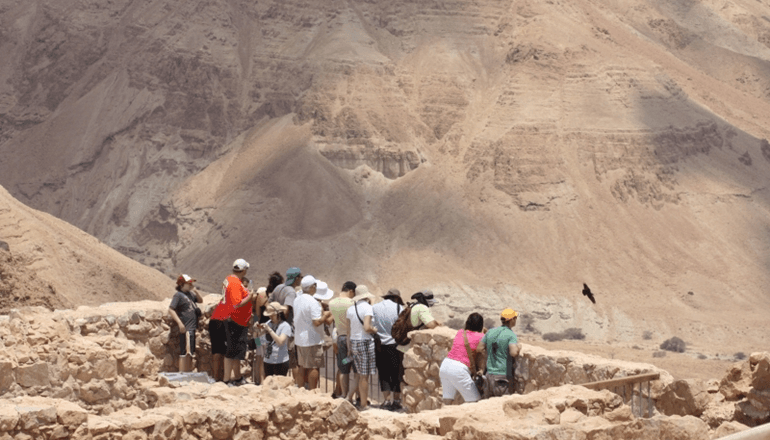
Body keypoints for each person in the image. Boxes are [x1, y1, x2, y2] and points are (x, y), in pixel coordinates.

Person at [292, 275, 332, 389]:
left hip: (300, 339)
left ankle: (301, 389)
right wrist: (326, 315)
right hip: (312, 340)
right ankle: (312, 392)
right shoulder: (313, 302)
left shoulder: (297, 299)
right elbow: (317, 322)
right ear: (312, 287)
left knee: (302, 366)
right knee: (313, 366)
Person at [223, 258, 257, 386]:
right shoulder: (235, 283)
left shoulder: (232, 280)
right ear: (243, 270)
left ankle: (237, 378)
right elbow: (236, 304)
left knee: (237, 351)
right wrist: (249, 297)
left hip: (238, 321)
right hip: (235, 321)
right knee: (231, 351)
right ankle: (227, 380)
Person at [438, 313, 486, 405]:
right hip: (459, 369)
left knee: (447, 400)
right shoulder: (480, 337)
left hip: (445, 365)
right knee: (474, 401)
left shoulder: (460, 333)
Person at [345, 285, 378, 411]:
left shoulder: (350, 309)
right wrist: (374, 329)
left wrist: (349, 348)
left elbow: (348, 331)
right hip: (365, 342)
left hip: (353, 342)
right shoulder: (368, 308)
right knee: (365, 375)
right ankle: (363, 405)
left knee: (358, 374)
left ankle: (348, 398)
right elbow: (367, 327)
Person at [372, 288, 405, 410]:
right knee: (397, 372)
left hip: (380, 344)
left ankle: (386, 400)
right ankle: (396, 401)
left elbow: (372, 324)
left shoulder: (375, 307)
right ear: (396, 298)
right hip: (395, 345)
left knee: (383, 372)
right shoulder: (399, 308)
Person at [477, 308, 521, 398]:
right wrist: (518, 347)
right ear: (512, 320)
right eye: (515, 318)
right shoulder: (511, 334)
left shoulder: (490, 331)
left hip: (489, 376)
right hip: (502, 377)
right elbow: (513, 353)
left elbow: (479, 348)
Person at [270, 267, 302, 377]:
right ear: (296, 278)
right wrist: (284, 322)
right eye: (300, 277)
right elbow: (287, 308)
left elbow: (269, 304)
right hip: (288, 330)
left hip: (276, 328)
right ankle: (297, 385)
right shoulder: (291, 291)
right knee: (293, 362)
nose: (301, 280)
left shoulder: (278, 287)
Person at [168, 274, 203, 372]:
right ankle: (183, 373)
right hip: (186, 327)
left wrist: (195, 291)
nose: (191, 284)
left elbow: (200, 300)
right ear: (182, 284)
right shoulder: (178, 295)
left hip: (192, 327)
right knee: (184, 352)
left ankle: (188, 372)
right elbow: (171, 309)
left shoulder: (190, 294)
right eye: (189, 283)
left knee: (190, 351)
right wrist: (179, 323)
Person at [329, 281, 356, 398]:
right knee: (357, 370)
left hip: (340, 338)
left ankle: (343, 394)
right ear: (351, 291)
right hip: (352, 339)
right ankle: (358, 397)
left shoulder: (332, 303)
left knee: (343, 367)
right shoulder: (352, 302)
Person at [258, 302, 293, 377]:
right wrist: (257, 333)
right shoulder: (268, 323)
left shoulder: (285, 326)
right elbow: (260, 344)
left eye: (272, 315)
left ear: (278, 314)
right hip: (267, 361)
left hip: (280, 362)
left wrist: (269, 330)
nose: (270, 317)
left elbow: (280, 342)